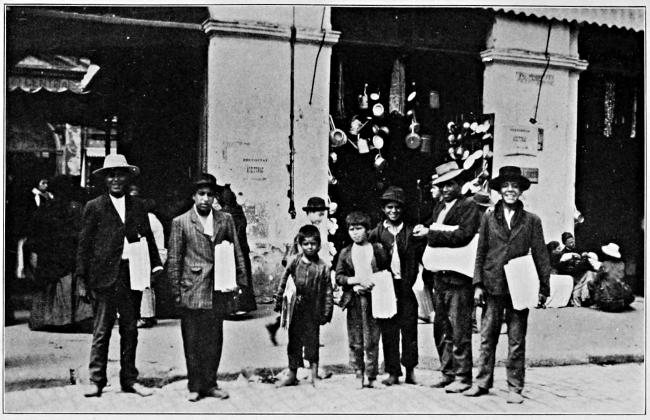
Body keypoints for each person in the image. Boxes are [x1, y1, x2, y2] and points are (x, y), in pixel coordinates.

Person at [75, 154, 163, 398]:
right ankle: (97, 380)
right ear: (105, 179)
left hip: (132, 273)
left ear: (127, 178)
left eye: (120, 175)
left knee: (130, 329)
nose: (115, 179)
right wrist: (81, 279)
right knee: (102, 330)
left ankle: (129, 380)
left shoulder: (138, 206)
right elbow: (84, 245)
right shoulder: (94, 206)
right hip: (103, 276)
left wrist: (156, 266)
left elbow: (148, 238)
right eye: (111, 175)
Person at [463, 166, 550, 404]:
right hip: (492, 283)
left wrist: (544, 287)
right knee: (487, 336)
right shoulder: (488, 217)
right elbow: (480, 252)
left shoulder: (532, 220)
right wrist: (478, 284)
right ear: (499, 191)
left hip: (520, 286)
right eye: (506, 186)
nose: (510, 190)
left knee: (516, 339)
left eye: (515, 186)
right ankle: (482, 382)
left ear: (521, 191)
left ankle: (515, 387)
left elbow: (541, 254)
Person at [167, 175, 248, 402]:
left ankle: (211, 383)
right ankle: (195, 385)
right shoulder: (181, 222)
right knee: (192, 340)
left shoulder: (225, 219)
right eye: (201, 194)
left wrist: (241, 281)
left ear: (215, 198)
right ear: (193, 196)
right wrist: (175, 291)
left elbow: (237, 250)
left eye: (209, 195)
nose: (205, 199)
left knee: (214, 339)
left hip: (218, 287)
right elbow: (174, 259)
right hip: (192, 288)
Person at [413, 161, 481, 394]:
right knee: (441, 327)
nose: (445, 189)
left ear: (459, 184)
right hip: (440, 278)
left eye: (450, 184)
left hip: (459, 278)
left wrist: (431, 233)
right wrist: (428, 231)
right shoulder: (439, 207)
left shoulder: (468, 206)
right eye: (442, 185)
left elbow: (463, 235)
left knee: (459, 328)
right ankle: (447, 372)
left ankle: (463, 376)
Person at [26, 175, 93, 332]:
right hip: (69, 254)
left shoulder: (45, 208)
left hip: (49, 256)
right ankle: (70, 319)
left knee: (50, 286)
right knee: (67, 284)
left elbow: (34, 236)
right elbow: (83, 233)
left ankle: (49, 319)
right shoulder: (76, 208)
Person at [368, 186, 419, 386]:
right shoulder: (377, 233)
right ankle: (392, 371)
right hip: (386, 288)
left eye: (397, 207)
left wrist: (410, 282)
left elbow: (416, 259)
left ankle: (410, 370)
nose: (394, 211)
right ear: (383, 209)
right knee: (389, 330)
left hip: (406, 286)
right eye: (389, 207)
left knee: (409, 329)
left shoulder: (410, 231)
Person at [274, 224, 333, 387]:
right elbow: (284, 281)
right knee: (294, 342)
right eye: (306, 244)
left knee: (312, 343)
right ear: (300, 244)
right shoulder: (294, 262)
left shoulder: (323, 267)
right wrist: (279, 302)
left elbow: (328, 291)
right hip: (295, 308)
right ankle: (292, 374)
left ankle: (314, 376)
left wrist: (327, 312)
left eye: (313, 244)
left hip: (313, 310)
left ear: (319, 245)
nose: (309, 247)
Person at [266, 196, 330, 346]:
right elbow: (298, 252)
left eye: (322, 214)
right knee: (299, 302)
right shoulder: (305, 230)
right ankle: (306, 337)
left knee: (301, 303)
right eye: (319, 214)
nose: (321, 218)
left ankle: (277, 327)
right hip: (298, 270)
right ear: (309, 213)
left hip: (305, 269)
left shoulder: (313, 228)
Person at [336, 211, 388, 388]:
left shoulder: (377, 249)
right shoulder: (345, 252)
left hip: (374, 299)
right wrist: (355, 281)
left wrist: (375, 282)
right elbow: (339, 277)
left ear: (367, 230)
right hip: (355, 301)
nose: (355, 233)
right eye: (351, 229)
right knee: (356, 339)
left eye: (359, 228)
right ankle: (358, 373)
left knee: (372, 338)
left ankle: (372, 376)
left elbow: (385, 271)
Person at [128, 185, 167, 329]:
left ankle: (147, 316)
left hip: (147, 257)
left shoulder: (150, 218)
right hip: (132, 257)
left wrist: (158, 262)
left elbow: (158, 244)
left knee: (145, 287)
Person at [220, 184, 257, 315]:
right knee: (242, 276)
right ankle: (244, 305)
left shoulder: (225, 213)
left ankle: (233, 307)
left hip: (231, 249)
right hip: (241, 247)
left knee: (232, 277)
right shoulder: (239, 210)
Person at [589, 242, 634, 312]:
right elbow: (622, 277)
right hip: (623, 297)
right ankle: (621, 303)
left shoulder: (605, 264)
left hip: (609, 302)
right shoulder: (622, 264)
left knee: (591, 283)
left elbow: (597, 279)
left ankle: (597, 303)